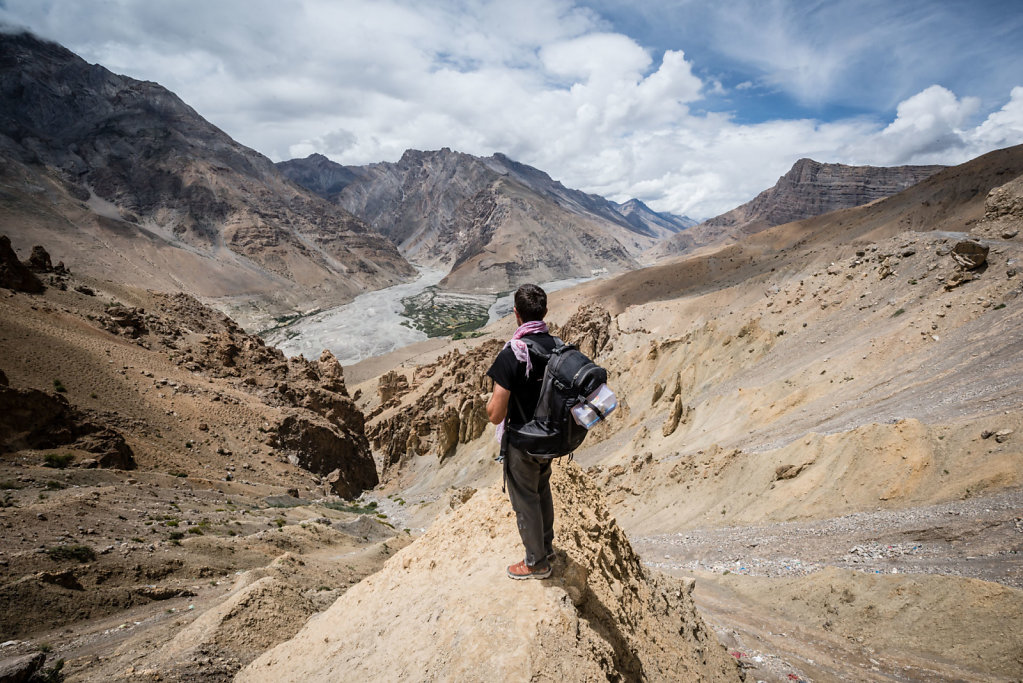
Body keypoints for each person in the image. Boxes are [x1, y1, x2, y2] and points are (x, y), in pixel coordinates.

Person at [486, 283, 559, 580]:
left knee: (525, 500)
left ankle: (536, 562)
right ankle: (546, 547)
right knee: (542, 490)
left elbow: (495, 414)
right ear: (544, 312)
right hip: (550, 438)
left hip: (522, 442)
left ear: (516, 314)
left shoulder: (512, 354)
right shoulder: (556, 346)